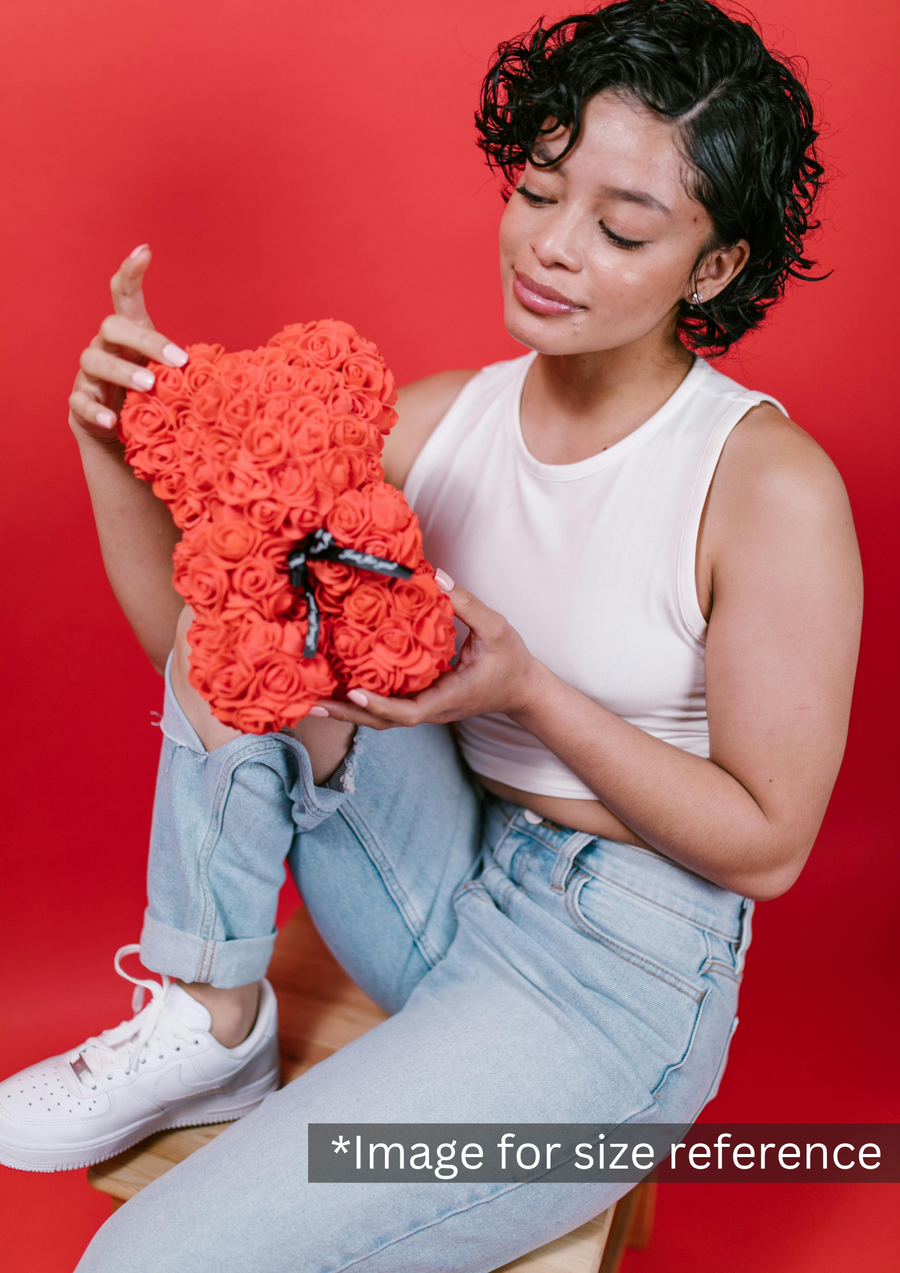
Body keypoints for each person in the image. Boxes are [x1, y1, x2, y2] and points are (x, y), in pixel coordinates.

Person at [0, 1, 862, 1268]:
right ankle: (207, 1014)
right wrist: (114, 447)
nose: (553, 248)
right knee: (266, 597)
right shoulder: (443, 421)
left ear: (716, 267)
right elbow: (204, 663)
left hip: (611, 980)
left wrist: (525, 689)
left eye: (620, 228)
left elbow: (772, 847)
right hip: (431, 878)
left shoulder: (765, 485)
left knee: (146, 1264)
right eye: (539, 191)